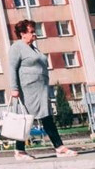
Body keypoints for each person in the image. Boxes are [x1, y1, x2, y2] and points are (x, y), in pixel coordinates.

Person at [9, 18, 77, 160]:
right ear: (22, 33)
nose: (35, 34)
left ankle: (58, 147)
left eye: (35, 31)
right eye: (31, 32)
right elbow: (12, 69)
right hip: (27, 90)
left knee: (46, 117)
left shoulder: (34, 48)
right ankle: (21, 151)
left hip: (40, 89)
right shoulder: (17, 47)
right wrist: (14, 88)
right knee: (25, 119)